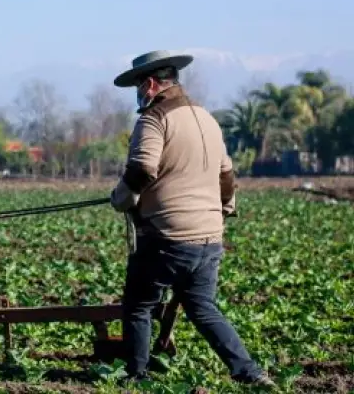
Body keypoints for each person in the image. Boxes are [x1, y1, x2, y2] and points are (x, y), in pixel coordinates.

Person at [109, 50, 275, 387]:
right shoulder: (206, 118)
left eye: (139, 86)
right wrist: (225, 207)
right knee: (202, 307)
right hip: (209, 237)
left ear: (151, 84)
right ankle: (250, 373)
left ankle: (136, 376)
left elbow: (142, 168)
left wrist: (120, 198)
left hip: (167, 237)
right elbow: (226, 174)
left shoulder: (154, 119)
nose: (139, 94)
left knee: (138, 306)